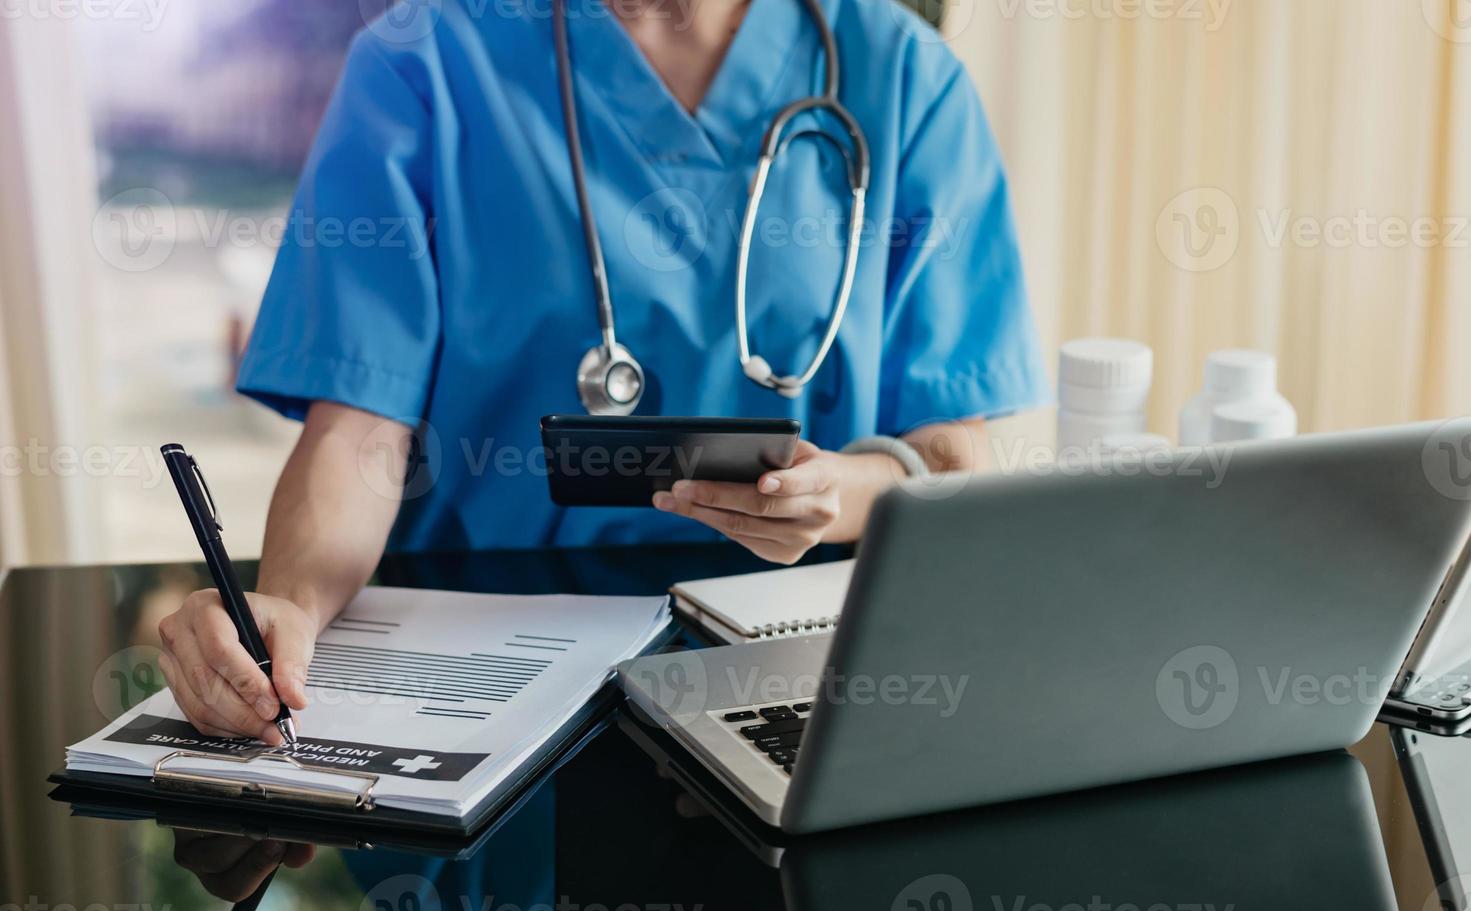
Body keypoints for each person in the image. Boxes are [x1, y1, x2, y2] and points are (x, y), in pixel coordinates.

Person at [157, 0, 1048, 742]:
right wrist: (288, 614)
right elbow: (358, 429)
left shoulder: (902, 75)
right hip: (478, 670)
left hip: (805, 674)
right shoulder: (424, 59)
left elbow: (946, 453)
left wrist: (832, 495)